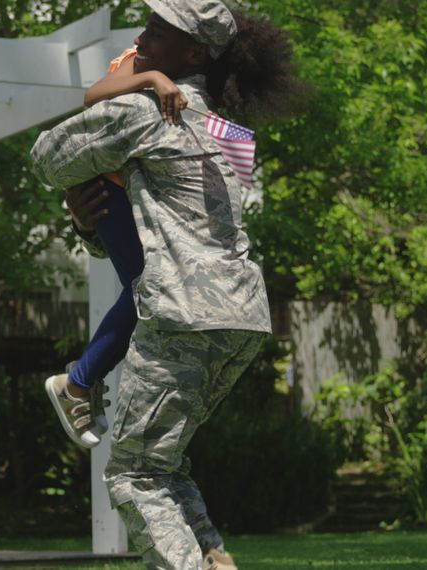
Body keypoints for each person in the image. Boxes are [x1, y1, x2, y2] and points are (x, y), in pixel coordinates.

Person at [31, 1, 301, 568]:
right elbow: (170, 229)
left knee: (132, 476)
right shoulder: (228, 133)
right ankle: (215, 559)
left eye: (158, 31)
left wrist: (79, 199)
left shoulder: (142, 110)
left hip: (182, 315)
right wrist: (90, 223)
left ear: (194, 53)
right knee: (163, 463)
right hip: (243, 318)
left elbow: (47, 157)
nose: (141, 37)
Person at [44, 41, 189, 449]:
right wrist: (153, 78)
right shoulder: (145, 55)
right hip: (107, 189)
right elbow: (93, 96)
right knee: (148, 287)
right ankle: (76, 384)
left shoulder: (199, 67)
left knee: (156, 292)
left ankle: (82, 382)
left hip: (138, 195)